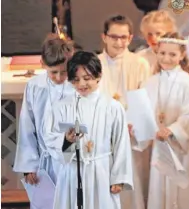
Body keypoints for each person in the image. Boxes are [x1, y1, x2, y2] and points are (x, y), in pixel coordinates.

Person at [43, 51, 133, 209]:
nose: (81, 84)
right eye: (76, 80)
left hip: (101, 170)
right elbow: (50, 139)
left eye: (87, 78)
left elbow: (121, 143)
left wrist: (118, 177)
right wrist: (67, 141)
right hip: (71, 172)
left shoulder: (112, 107)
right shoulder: (61, 106)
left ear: (98, 76)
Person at [142, 32, 189, 209]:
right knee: (159, 189)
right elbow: (143, 111)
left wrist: (173, 130)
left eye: (172, 54)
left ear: (182, 55)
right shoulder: (150, 82)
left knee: (181, 190)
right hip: (159, 146)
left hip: (179, 147)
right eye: (162, 53)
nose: (166, 58)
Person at [97, 14, 150, 209]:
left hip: (130, 134)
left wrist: (131, 125)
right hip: (102, 135)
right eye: (114, 37)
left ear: (130, 38)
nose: (119, 42)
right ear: (104, 37)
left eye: (123, 37)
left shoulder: (140, 64)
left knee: (130, 189)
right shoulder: (94, 64)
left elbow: (144, 101)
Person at [14, 34, 75, 195]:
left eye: (64, 72)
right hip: (44, 161)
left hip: (70, 159)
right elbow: (27, 126)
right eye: (53, 72)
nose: (59, 78)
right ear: (42, 64)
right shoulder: (35, 86)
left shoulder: (77, 86)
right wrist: (29, 165)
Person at [137, 10, 177, 74]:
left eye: (158, 34)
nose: (153, 38)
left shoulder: (178, 57)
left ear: (170, 34)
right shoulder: (139, 58)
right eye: (149, 34)